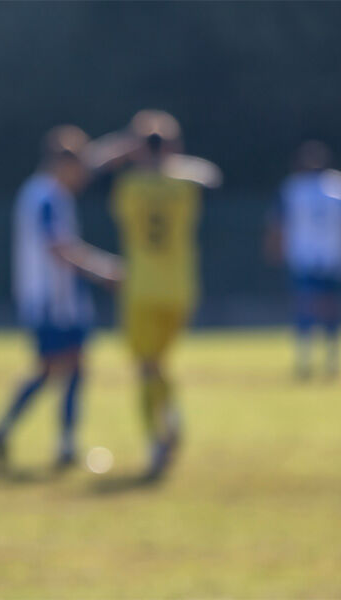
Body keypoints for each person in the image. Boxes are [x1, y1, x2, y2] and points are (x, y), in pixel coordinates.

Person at [0, 125, 123, 472]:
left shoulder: (44, 191)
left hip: (57, 298)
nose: (84, 176)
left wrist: (125, 146)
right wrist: (102, 269)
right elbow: (58, 247)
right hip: (53, 299)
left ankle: (40, 437)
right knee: (57, 368)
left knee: (63, 368)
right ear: (64, 164)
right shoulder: (47, 195)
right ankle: (47, 437)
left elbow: (94, 163)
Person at [103, 110, 221, 481]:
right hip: (181, 288)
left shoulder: (130, 187)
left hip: (141, 288)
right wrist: (171, 161)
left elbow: (93, 163)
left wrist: (129, 151)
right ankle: (171, 418)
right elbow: (212, 175)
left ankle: (158, 437)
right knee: (158, 364)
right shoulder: (185, 184)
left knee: (145, 367)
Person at [265, 141, 341, 379]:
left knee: (305, 307)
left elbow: (277, 223)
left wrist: (274, 249)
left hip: (304, 256)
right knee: (330, 308)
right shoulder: (336, 186)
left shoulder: (292, 188)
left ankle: (305, 359)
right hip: (331, 254)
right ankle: (329, 359)